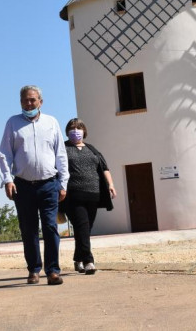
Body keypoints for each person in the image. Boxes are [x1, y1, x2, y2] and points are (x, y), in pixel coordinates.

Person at [0, 85, 68, 286]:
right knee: (28, 229)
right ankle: (34, 270)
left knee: (50, 227)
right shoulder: (12, 123)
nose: (29, 103)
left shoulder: (51, 122)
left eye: (33, 100)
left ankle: (53, 270)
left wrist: (63, 182)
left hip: (49, 184)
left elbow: (60, 155)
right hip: (23, 186)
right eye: (25, 100)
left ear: (40, 102)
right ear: (21, 102)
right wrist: (7, 180)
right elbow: (4, 154)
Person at [62, 118, 117, 275]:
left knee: (85, 229)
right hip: (73, 195)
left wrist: (111, 185)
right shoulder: (63, 148)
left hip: (93, 194)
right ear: (67, 132)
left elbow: (104, 168)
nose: (76, 131)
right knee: (82, 226)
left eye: (79, 128)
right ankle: (88, 261)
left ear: (84, 131)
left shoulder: (92, 149)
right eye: (72, 128)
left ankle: (78, 259)